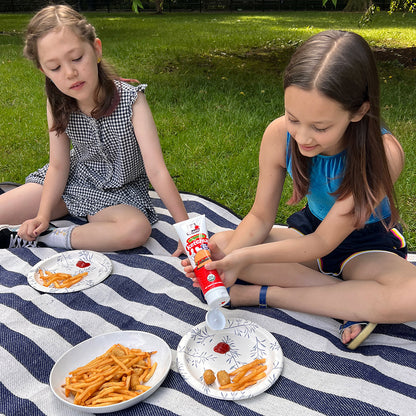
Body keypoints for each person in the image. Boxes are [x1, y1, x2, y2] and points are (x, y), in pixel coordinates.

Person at [181, 30, 416, 349]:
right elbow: (260, 217)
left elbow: (324, 242)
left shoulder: (383, 154)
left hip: (367, 243)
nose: (303, 137)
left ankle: (265, 295)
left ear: (359, 111)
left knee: (410, 296)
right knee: (222, 243)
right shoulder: (279, 134)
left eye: (320, 127)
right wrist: (225, 261)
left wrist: (243, 262)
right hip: (309, 233)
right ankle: (348, 302)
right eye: (293, 118)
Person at [0, 4, 188, 254]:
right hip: (70, 181)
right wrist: (42, 215)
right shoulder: (57, 101)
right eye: (55, 67)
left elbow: (156, 169)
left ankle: (47, 238)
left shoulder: (132, 100)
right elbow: (58, 165)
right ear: (43, 70)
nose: (70, 73)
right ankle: (41, 217)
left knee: (135, 230)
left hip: (118, 192)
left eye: (77, 58)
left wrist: (188, 232)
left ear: (96, 49)